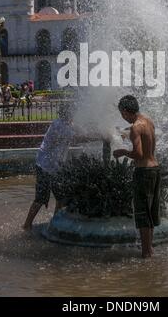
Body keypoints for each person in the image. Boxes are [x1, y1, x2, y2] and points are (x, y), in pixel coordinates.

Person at [23, 105, 102, 231]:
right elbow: (79, 138)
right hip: (45, 166)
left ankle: (55, 223)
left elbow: (81, 130)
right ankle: (27, 225)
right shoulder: (61, 126)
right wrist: (101, 137)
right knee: (40, 198)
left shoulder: (66, 123)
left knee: (61, 197)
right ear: (67, 115)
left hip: (55, 167)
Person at [113, 95, 160, 259]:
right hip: (155, 168)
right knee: (150, 211)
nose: (122, 117)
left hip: (144, 172)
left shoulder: (135, 127)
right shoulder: (148, 121)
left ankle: (146, 253)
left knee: (142, 213)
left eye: (121, 113)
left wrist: (122, 152)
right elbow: (148, 147)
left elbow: (138, 154)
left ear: (125, 112)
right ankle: (150, 249)